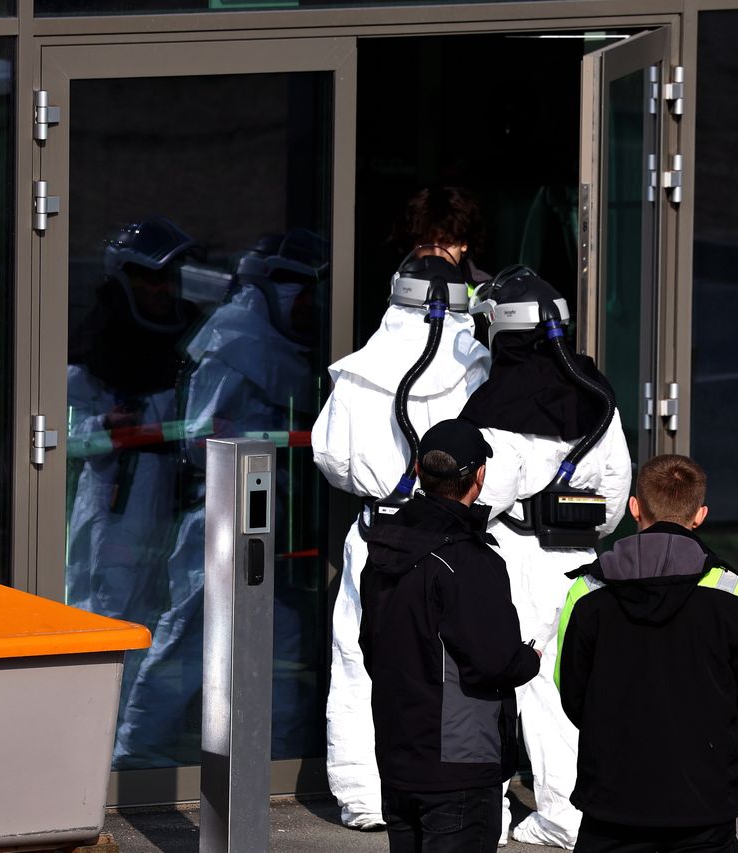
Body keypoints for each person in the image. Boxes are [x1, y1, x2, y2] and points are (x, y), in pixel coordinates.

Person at [112, 228, 328, 769]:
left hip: (277, 523)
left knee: (282, 646)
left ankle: (274, 762)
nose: (305, 308)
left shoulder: (271, 347)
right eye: (296, 293)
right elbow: (200, 440)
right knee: (187, 638)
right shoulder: (234, 346)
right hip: (226, 516)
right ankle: (137, 759)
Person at [313, 186, 490, 830]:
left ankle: (364, 797)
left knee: (362, 660)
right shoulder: (476, 361)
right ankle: (472, 802)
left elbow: (331, 457)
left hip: (381, 529)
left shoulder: (363, 366)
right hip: (456, 537)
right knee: (462, 665)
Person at [461, 267, 631, 848]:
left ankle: (508, 816)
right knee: (567, 688)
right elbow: (614, 486)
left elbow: (481, 492)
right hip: (578, 557)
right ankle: (573, 812)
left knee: (500, 682)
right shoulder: (595, 395)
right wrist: (582, 530)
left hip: (516, 557)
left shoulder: (493, 404)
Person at [557, 454, 738, 853]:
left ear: (635, 508)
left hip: (611, 802)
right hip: (704, 803)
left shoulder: (587, 593)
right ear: (700, 515)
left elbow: (571, 694)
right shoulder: (734, 595)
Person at [359, 418, 541, 853]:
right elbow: (494, 660)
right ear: (479, 477)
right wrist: (529, 659)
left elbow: (371, 645)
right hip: (458, 761)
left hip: (400, 751)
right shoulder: (466, 559)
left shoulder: (383, 549)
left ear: (418, 471)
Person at [65, 215, 205, 721]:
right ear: (125, 278)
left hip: (168, 499)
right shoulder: (93, 347)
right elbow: (60, 437)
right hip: (113, 501)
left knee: (148, 619)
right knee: (104, 611)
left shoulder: (187, 335)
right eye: (151, 278)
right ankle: (88, 729)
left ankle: (123, 732)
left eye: (169, 277)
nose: (162, 289)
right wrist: (105, 425)